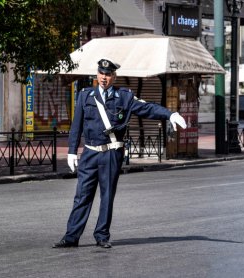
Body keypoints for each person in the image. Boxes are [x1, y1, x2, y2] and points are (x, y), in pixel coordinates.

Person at [53, 58, 187, 249]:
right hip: (90, 153)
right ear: (96, 74)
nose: (103, 78)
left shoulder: (124, 97)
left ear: (114, 77)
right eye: (101, 73)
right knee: (82, 195)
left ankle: (101, 235)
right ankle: (71, 237)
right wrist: (72, 151)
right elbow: (77, 126)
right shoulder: (85, 96)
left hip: (111, 154)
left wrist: (170, 114)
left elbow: (147, 108)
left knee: (107, 196)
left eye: (108, 74)